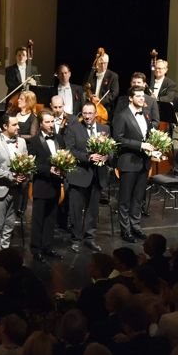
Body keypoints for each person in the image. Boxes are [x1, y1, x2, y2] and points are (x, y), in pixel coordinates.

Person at [113, 87, 156, 243]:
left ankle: (135, 226)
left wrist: (154, 145)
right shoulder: (122, 116)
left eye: (142, 96)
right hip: (129, 162)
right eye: (138, 96)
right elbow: (119, 139)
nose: (141, 98)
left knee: (138, 198)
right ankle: (125, 230)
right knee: (125, 199)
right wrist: (140, 145)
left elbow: (148, 135)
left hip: (143, 162)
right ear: (130, 98)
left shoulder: (146, 114)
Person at [66, 101, 110, 252]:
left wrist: (106, 157)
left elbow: (111, 149)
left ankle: (90, 238)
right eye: (84, 113)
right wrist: (88, 157)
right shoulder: (73, 128)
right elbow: (70, 150)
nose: (87, 116)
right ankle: (76, 239)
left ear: (96, 114)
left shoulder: (105, 128)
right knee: (76, 210)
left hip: (97, 176)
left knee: (93, 211)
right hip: (79, 175)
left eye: (90, 113)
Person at [0, 114, 28, 254]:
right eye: (14, 125)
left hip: (16, 190)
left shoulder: (21, 142)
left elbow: (26, 162)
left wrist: (24, 174)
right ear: (4, 126)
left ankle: (5, 251)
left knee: (9, 224)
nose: (18, 127)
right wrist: (11, 176)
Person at [26, 109, 65, 263]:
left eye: (52, 122)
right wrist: (48, 169)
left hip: (56, 185)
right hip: (42, 185)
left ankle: (47, 246)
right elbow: (32, 164)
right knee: (38, 219)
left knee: (51, 218)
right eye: (47, 122)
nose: (51, 125)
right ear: (41, 124)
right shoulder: (34, 141)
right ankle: (36, 249)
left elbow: (65, 155)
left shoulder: (59, 139)